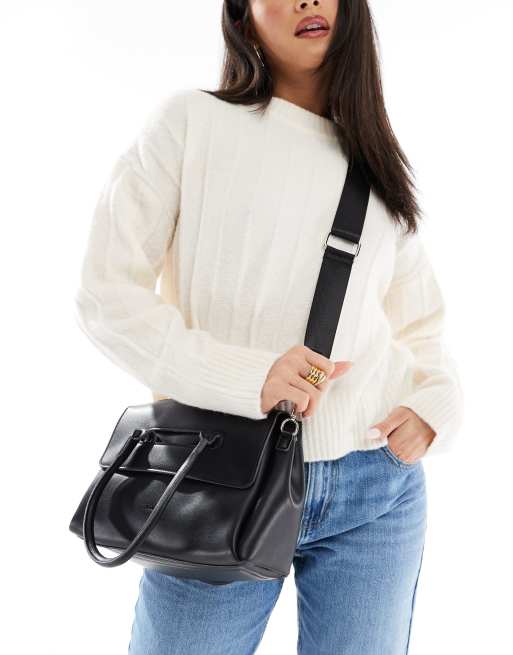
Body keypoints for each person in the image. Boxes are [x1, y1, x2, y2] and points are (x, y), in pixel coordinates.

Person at [74, 1, 463, 653]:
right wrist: (246, 377)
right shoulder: (190, 124)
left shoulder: (374, 160)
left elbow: (420, 322)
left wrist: (433, 403)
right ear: (241, 17)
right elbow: (105, 296)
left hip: (375, 483)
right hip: (215, 476)